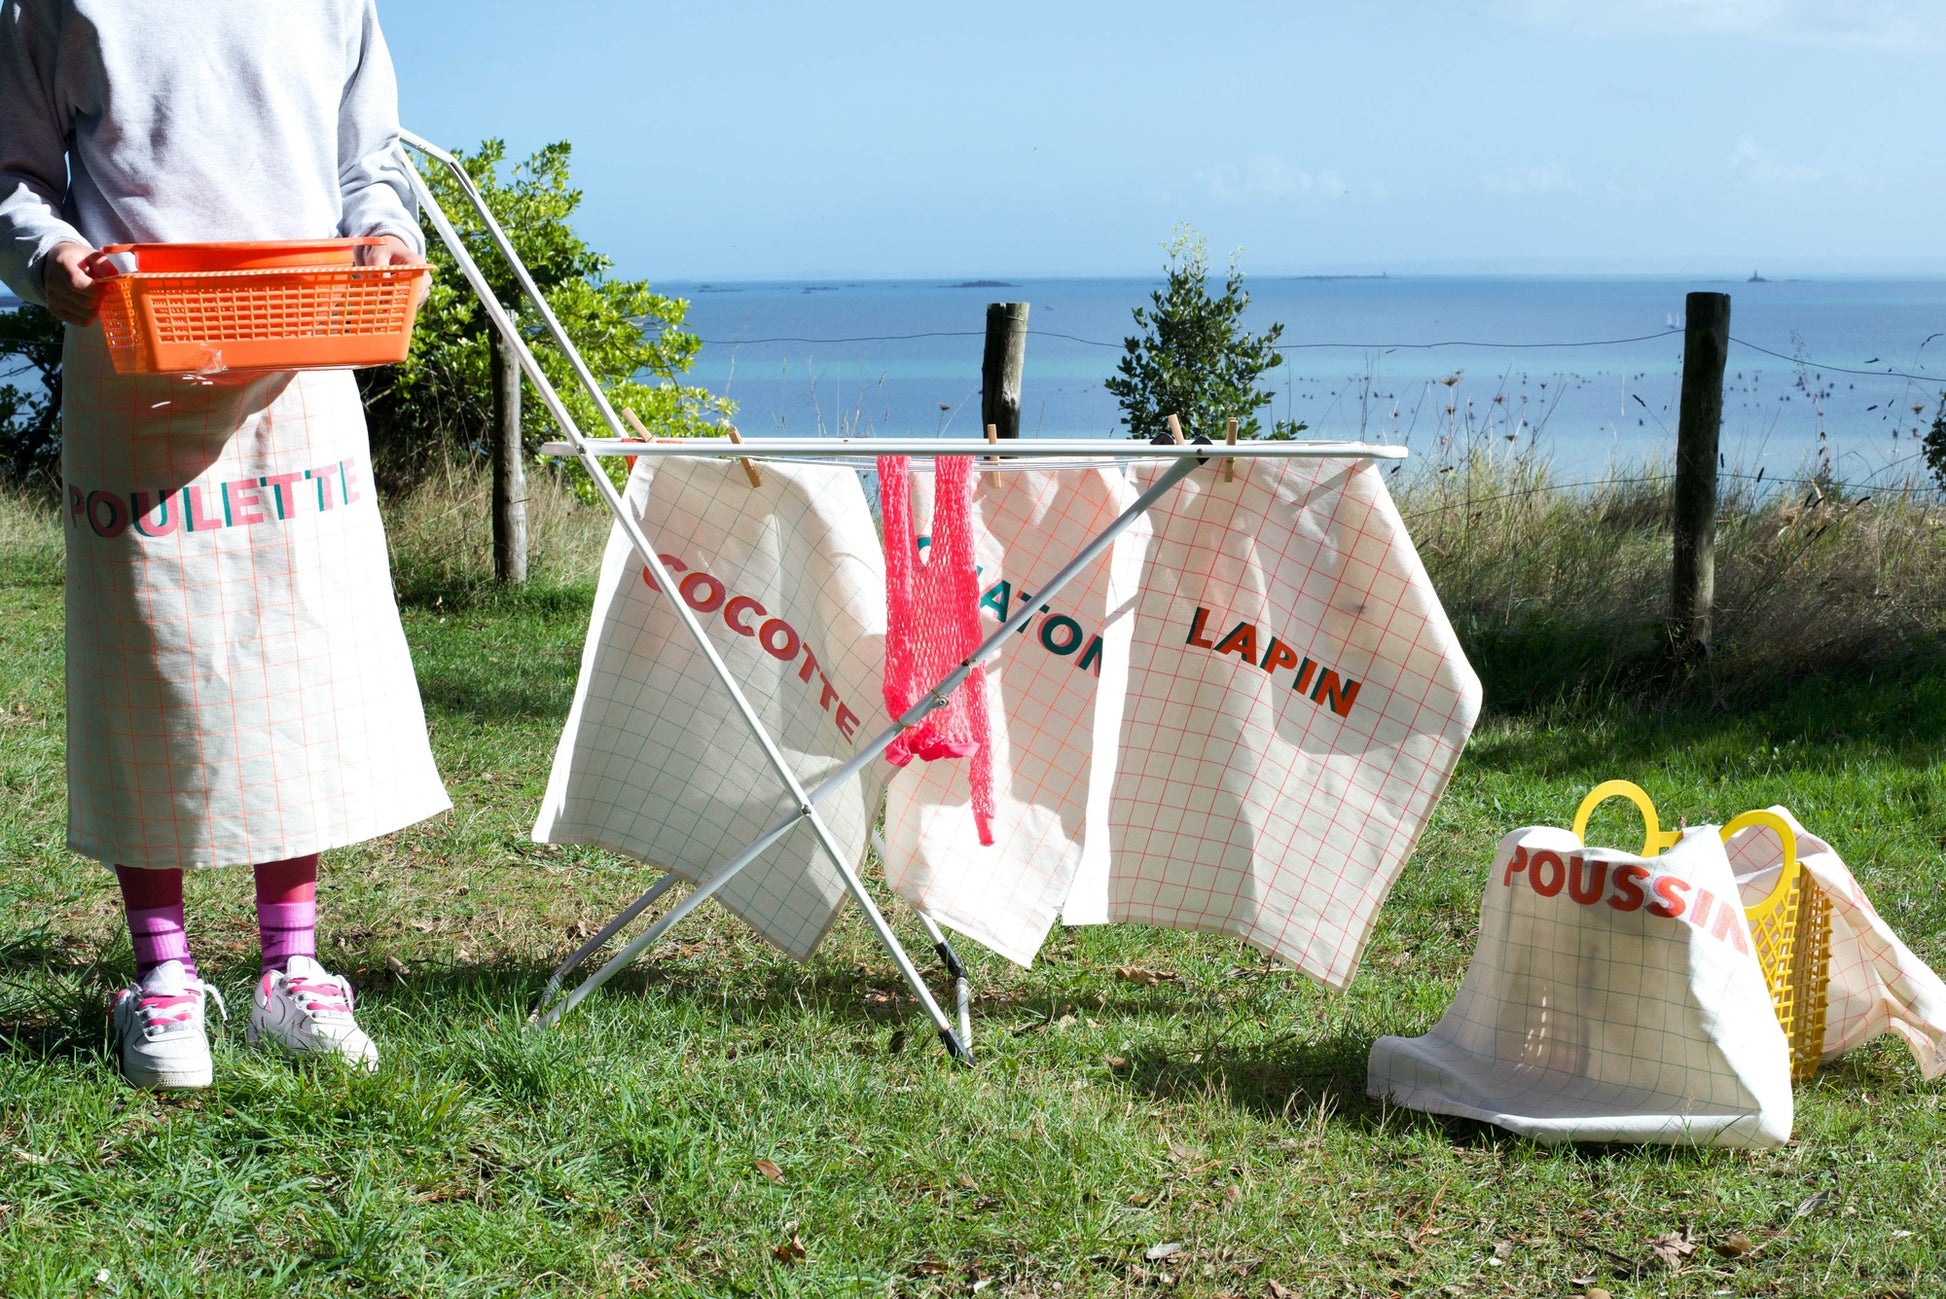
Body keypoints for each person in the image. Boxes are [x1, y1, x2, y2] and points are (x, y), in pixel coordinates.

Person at [0, 1, 450, 1087]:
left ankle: (290, 974)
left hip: (304, 348)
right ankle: (164, 982)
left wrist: (387, 234)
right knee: (146, 663)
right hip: (133, 346)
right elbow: (12, 177)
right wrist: (51, 260)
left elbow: (369, 162)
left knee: (295, 658)